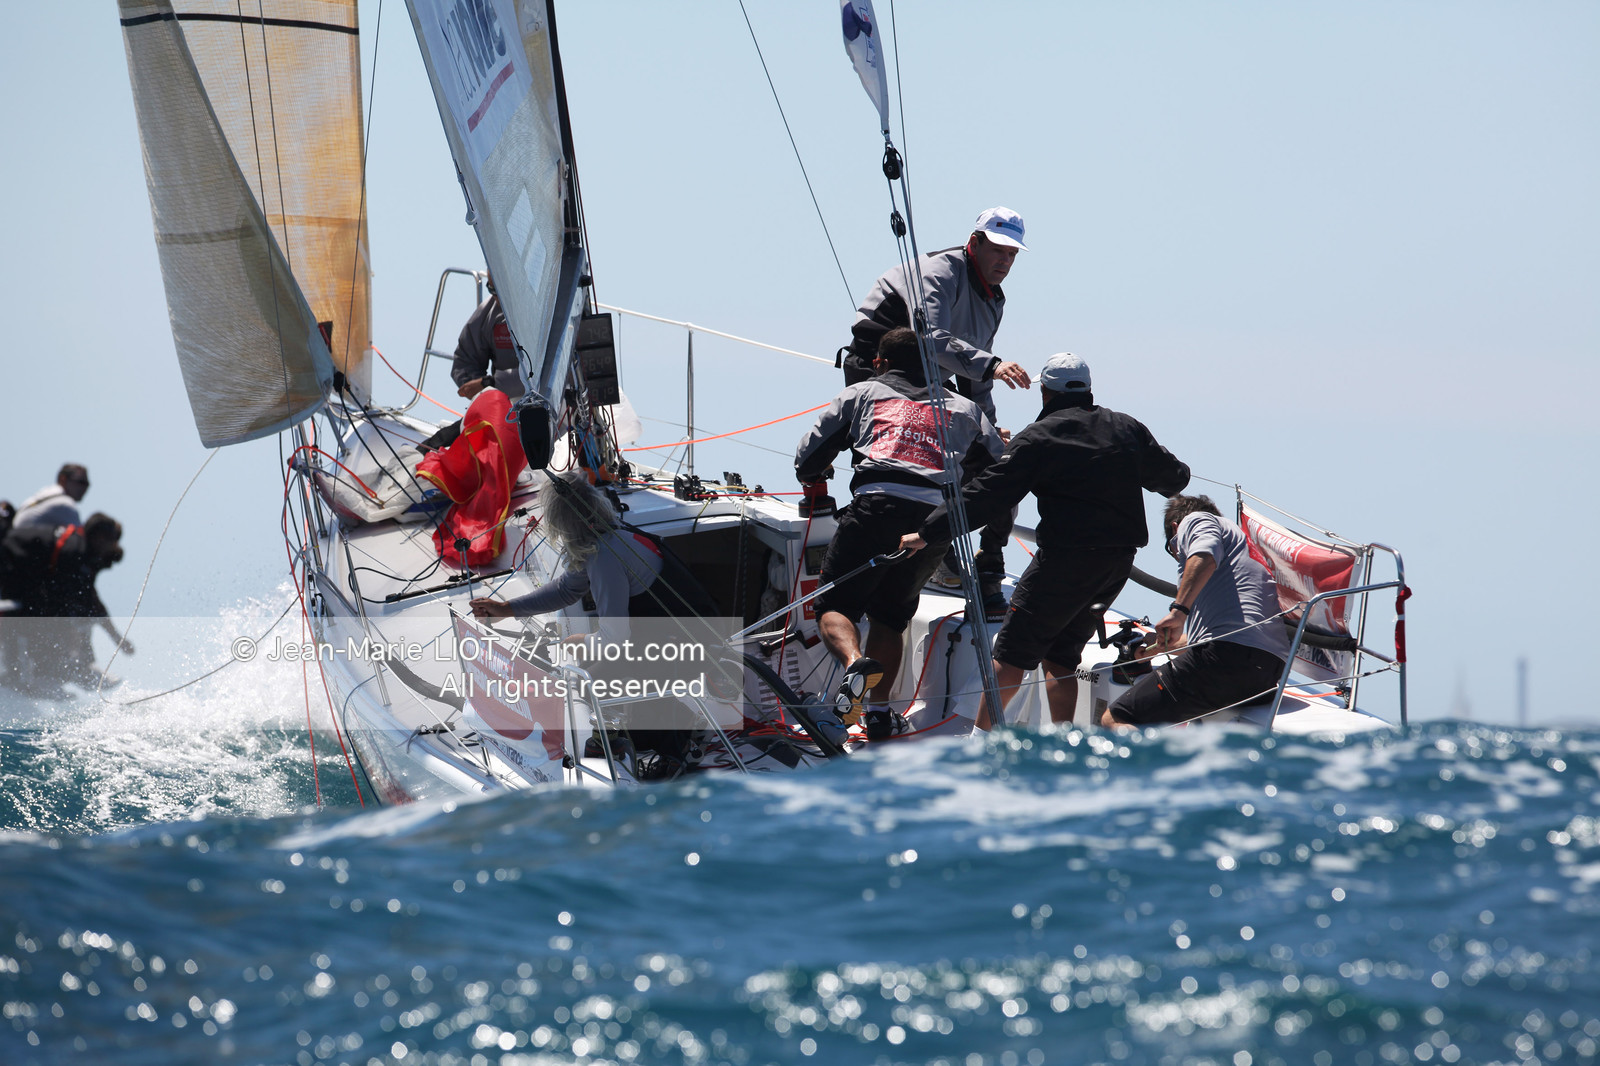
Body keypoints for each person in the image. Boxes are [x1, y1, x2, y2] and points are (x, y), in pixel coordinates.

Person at [900, 352, 1190, 730]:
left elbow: (986, 495)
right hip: (1115, 564)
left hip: (1063, 562)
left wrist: (928, 533)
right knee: (1061, 657)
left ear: (1046, 393)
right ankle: (1062, 738)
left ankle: (981, 744)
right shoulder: (1125, 427)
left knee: (1010, 656)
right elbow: (1175, 478)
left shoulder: (1038, 437)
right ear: (1088, 390)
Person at [797, 326, 1005, 740]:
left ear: (879, 362)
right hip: (934, 522)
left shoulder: (861, 393)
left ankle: (855, 662)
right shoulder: (966, 408)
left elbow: (808, 457)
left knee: (835, 605)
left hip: (876, 508)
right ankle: (876, 714)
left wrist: (817, 473)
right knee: (890, 618)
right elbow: (998, 475)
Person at [843, 208, 1035, 607]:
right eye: (998, 250)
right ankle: (914, 548)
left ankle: (989, 561)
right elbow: (929, 337)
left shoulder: (994, 300)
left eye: (1012, 254)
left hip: (932, 380)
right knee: (913, 460)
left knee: (998, 464)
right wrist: (992, 365)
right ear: (974, 242)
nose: (1005, 261)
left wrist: (988, 429)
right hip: (881, 369)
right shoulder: (939, 272)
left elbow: (975, 379)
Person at [470, 471, 716, 777]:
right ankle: (675, 729)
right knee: (601, 669)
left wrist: (581, 642)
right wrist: (506, 609)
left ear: (562, 525)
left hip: (690, 642)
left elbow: (616, 639)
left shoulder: (604, 556)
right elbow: (566, 590)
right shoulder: (609, 536)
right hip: (682, 631)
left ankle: (676, 749)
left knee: (591, 676)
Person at [1102, 495, 1291, 729]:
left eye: (1174, 548)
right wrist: (1161, 647)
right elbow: (1225, 638)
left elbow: (1205, 554)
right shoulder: (1239, 550)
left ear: (1176, 529)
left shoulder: (1196, 520)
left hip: (1226, 660)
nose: (1179, 556)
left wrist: (1179, 611)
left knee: (1116, 719)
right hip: (1267, 674)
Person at [0, 512, 133, 690]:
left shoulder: (82, 553)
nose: (113, 546)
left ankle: (75, 666)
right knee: (59, 615)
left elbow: (92, 602)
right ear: (99, 537)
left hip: (25, 572)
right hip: (11, 565)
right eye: (111, 540)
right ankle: (44, 673)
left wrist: (117, 638)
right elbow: (63, 601)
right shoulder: (74, 550)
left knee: (76, 612)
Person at [451, 278, 524, 402]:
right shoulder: (488, 313)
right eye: (492, 290)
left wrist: (491, 384)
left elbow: (546, 377)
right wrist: (481, 390)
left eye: (504, 290)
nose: (498, 298)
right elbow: (465, 362)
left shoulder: (553, 311)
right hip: (507, 403)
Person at [12, 464, 90, 530]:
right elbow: (80, 537)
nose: (84, 488)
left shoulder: (44, 494)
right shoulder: (64, 503)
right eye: (81, 482)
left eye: (87, 484)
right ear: (62, 479)